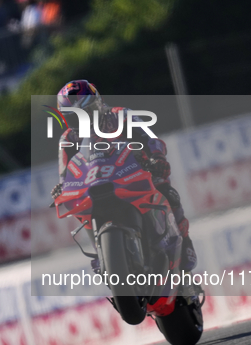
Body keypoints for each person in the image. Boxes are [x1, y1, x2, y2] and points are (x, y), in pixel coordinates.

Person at [51, 79, 198, 273]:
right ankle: (101, 253)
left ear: (98, 104)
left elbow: (150, 138)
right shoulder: (68, 139)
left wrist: (157, 158)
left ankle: (185, 244)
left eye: (86, 113)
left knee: (168, 191)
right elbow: (65, 173)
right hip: (97, 181)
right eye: (74, 118)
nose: (82, 122)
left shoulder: (120, 115)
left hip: (137, 172)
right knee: (79, 206)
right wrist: (62, 188)